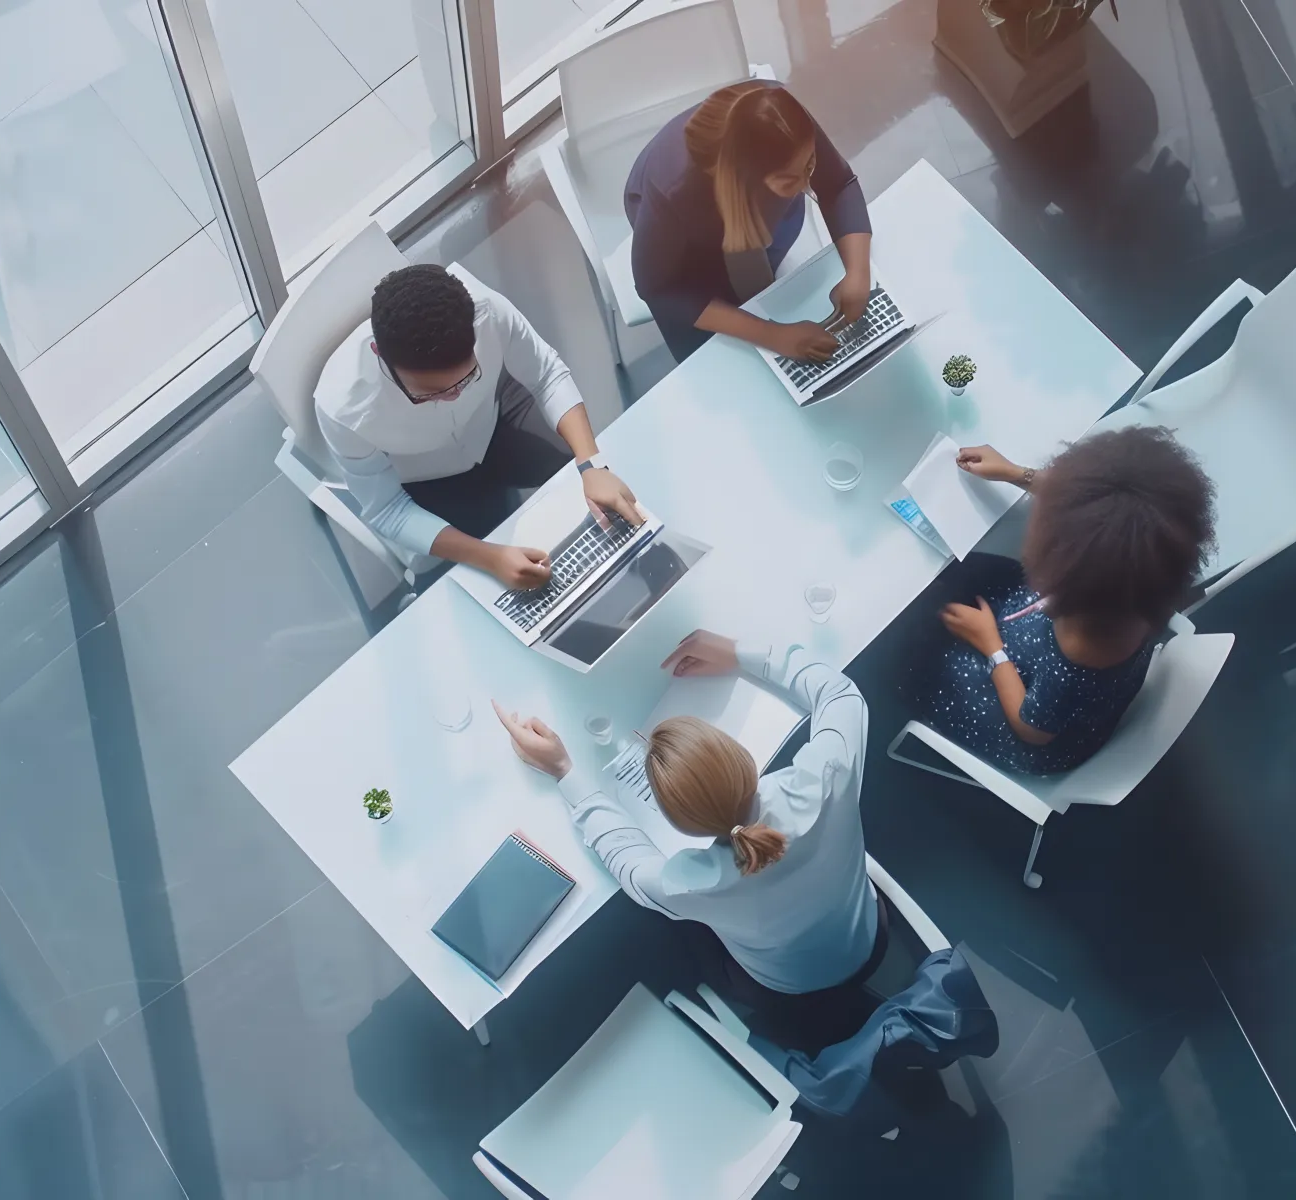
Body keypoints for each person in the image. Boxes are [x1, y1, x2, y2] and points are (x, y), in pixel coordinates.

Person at [493, 630, 884, 1036]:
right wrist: (739, 652)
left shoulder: (690, 886)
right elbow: (839, 694)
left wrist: (563, 770)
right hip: (870, 940)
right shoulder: (828, 776)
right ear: (741, 757)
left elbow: (627, 862)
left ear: (677, 822)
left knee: (669, 930)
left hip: (787, 993)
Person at [314, 263, 640, 588]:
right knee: (491, 572)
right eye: (430, 393)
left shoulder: (486, 310)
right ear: (378, 354)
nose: (454, 397)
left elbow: (546, 375)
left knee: (594, 487)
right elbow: (387, 509)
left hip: (496, 416)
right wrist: (490, 557)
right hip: (432, 479)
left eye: (467, 378)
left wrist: (591, 463)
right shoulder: (342, 406)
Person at [914, 426, 1216, 775]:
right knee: (980, 579)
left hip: (1030, 720)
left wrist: (992, 648)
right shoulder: (1149, 571)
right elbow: (1107, 509)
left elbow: (1031, 729)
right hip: (1047, 655)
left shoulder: (1082, 653)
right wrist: (1016, 473)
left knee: (929, 657)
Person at [625, 80, 873, 363]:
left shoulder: (783, 119)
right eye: (790, 181)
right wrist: (772, 335)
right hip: (690, 258)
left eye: (809, 165)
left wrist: (858, 273)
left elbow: (838, 184)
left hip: (748, 210)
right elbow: (659, 289)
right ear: (747, 186)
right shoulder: (671, 193)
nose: (807, 186)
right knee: (726, 361)